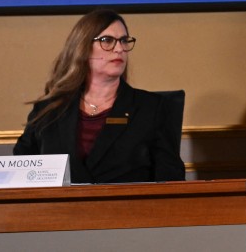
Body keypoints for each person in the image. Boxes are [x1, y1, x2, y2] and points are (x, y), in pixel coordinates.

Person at [13, 9, 185, 183]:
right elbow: (20, 173)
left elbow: (171, 179)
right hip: (59, 209)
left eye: (124, 41)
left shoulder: (152, 108)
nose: (119, 49)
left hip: (128, 208)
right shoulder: (49, 110)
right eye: (107, 41)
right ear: (83, 48)